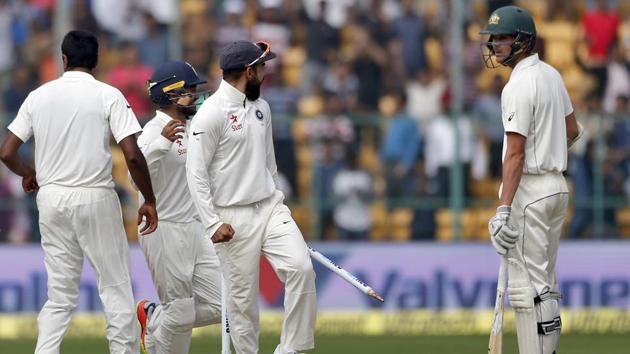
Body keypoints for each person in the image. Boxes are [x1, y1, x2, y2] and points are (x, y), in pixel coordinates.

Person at [0, 30, 158, 354]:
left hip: (51, 198)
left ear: (64, 60)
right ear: (96, 61)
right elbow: (131, 152)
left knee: (59, 295)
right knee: (114, 287)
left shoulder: (38, 96)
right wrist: (150, 199)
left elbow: (6, 153)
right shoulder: (108, 94)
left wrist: (29, 174)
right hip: (94, 195)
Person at [186, 40, 316, 354]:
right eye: (262, 66)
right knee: (242, 305)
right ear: (248, 71)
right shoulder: (210, 114)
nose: (265, 72)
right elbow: (196, 173)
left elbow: (269, 165)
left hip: (269, 207)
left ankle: (290, 349)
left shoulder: (262, 107)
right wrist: (212, 223)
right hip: (232, 217)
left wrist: (279, 202)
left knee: (302, 269)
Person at [480, 6, 583, 354]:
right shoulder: (552, 75)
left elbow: (516, 153)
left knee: (528, 289)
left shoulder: (518, 85)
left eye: (501, 38)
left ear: (522, 41)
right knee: (545, 284)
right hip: (557, 187)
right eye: (492, 39)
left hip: (531, 191)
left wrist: (504, 209)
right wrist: (551, 149)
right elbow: (573, 130)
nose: (494, 45)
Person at [134, 61, 223, 354]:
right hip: (164, 229)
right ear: (170, 94)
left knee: (225, 304)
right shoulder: (152, 131)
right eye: (190, 92)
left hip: (195, 228)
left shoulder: (193, 127)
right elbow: (136, 181)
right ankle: (164, 320)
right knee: (181, 311)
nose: (196, 97)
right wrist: (161, 143)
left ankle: (156, 316)